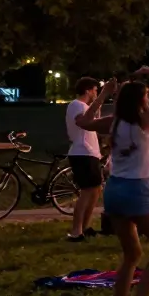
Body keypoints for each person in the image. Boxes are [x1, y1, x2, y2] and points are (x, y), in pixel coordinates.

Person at [75, 67, 149, 296]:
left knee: (131, 255)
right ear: (139, 100)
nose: (148, 99)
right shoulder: (145, 120)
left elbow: (83, 123)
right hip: (136, 189)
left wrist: (103, 96)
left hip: (114, 191)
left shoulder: (115, 122)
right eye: (146, 95)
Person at [65, 76, 104, 242]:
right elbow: (83, 121)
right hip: (82, 153)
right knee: (87, 191)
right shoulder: (77, 105)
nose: (96, 93)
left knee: (95, 190)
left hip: (91, 153)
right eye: (95, 90)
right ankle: (76, 231)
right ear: (88, 90)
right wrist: (102, 97)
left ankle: (86, 227)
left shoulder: (86, 106)